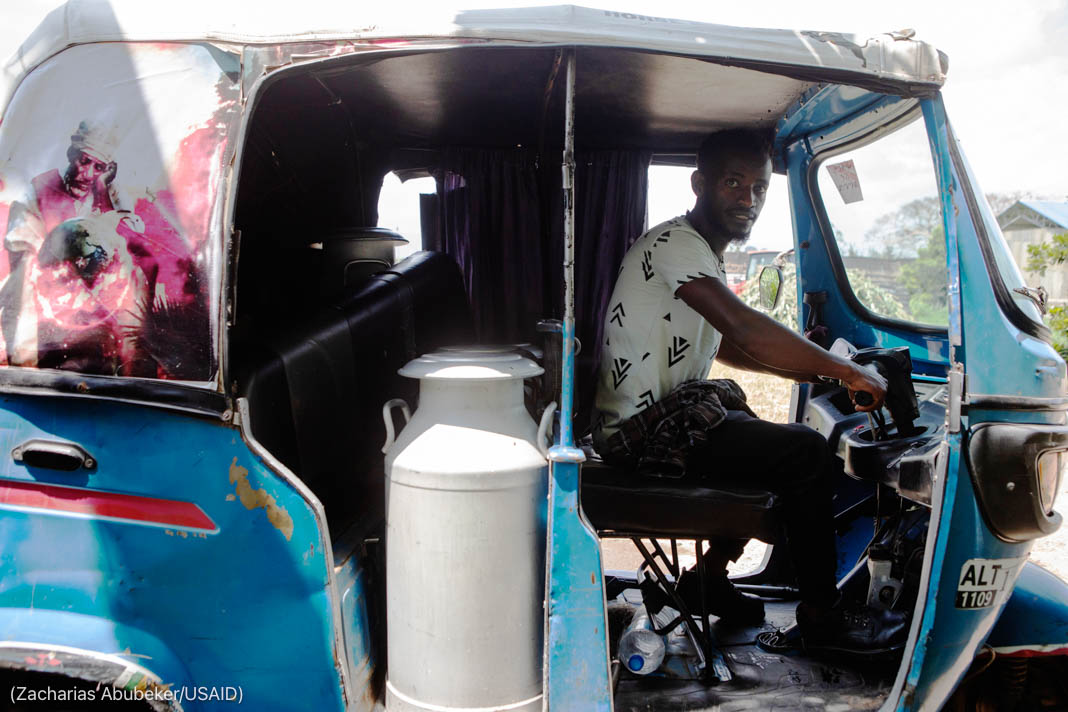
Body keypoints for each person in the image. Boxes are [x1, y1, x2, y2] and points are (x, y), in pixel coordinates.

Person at [592, 128, 907, 653]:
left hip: (669, 418)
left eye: (759, 188)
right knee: (804, 452)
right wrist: (845, 371)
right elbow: (742, 326)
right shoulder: (676, 245)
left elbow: (723, 341)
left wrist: (806, 369)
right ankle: (821, 616)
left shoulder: (699, 253)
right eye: (733, 183)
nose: (748, 199)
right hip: (636, 433)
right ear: (699, 184)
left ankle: (708, 579)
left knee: (765, 442)